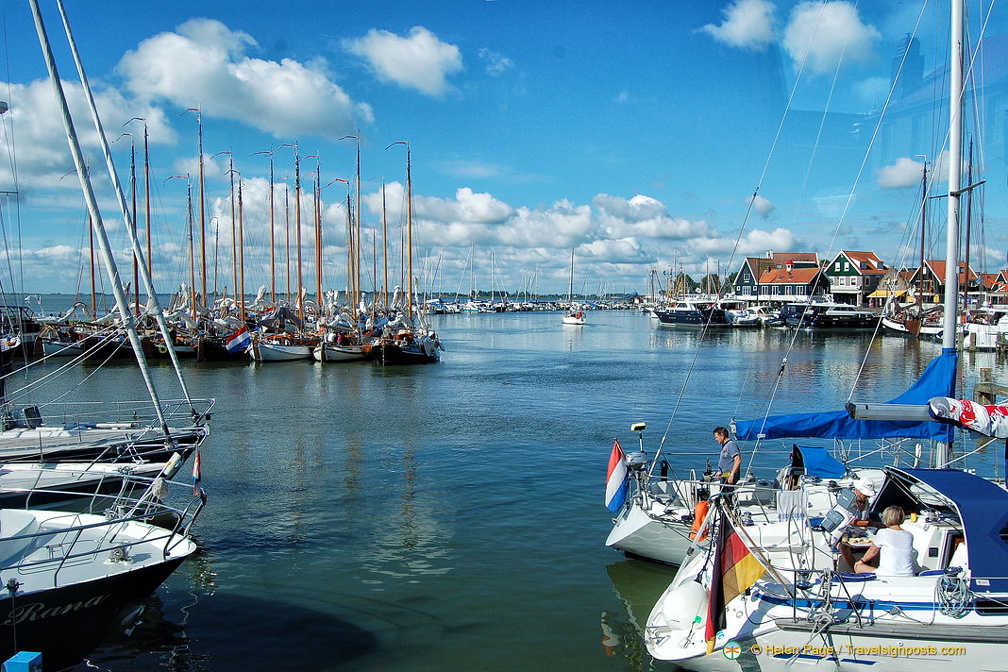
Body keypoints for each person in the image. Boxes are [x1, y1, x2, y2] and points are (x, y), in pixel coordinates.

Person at [852, 505, 915, 577]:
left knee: (858, 567)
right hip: (909, 575)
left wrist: (861, 561)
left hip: (888, 574)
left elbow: (873, 551)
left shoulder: (883, 532)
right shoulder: (909, 535)